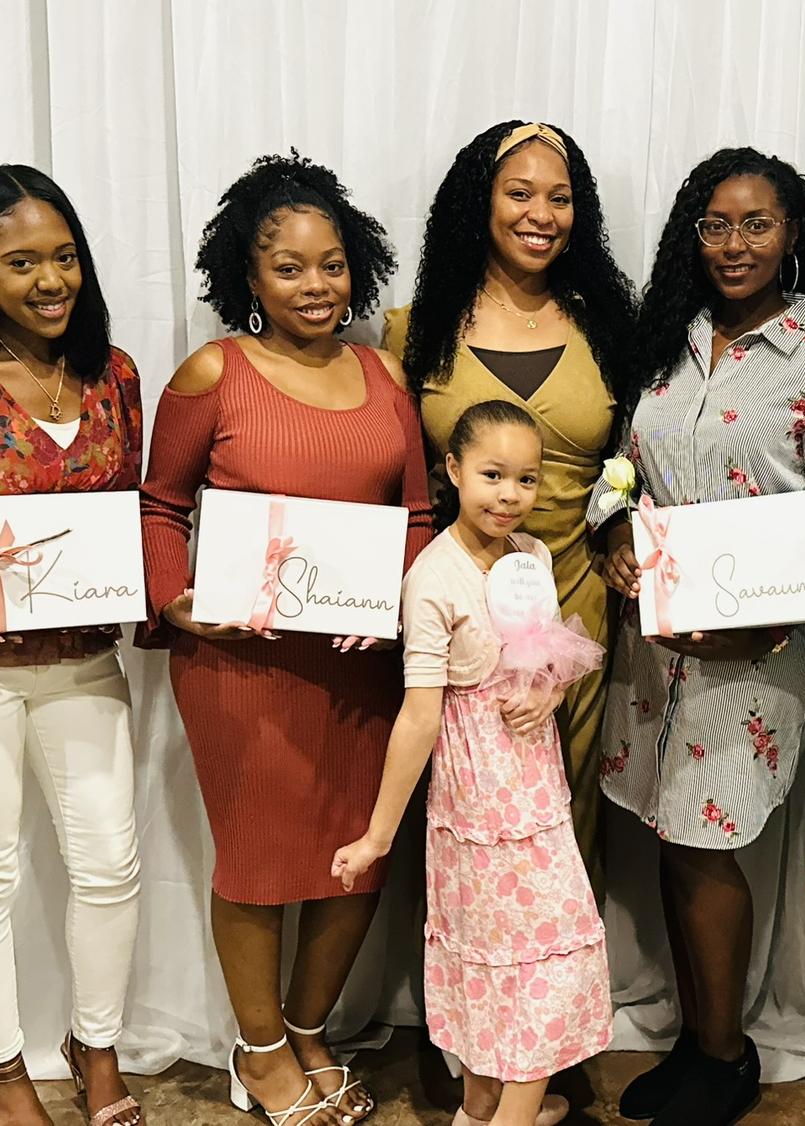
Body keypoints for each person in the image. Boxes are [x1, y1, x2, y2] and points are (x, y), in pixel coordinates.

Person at [139, 152, 431, 1126]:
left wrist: (396, 610)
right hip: (240, 667)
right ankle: (259, 1054)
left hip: (361, 668)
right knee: (259, 863)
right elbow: (160, 503)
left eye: (332, 264)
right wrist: (175, 599)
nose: (317, 285)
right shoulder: (213, 372)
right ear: (250, 278)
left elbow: (418, 516)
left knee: (358, 856)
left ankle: (309, 1030)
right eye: (291, 267)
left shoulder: (384, 375)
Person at [589, 147, 805, 1126]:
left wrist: (762, 624)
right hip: (658, 646)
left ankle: (724, 1057)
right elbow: (620, 472)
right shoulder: (665, 349)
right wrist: (613, 536)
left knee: (708, 844)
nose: (734, 243)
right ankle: (697, 1040)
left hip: (758, 656)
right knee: (670, 841)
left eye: (757, 223)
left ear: (793, 234)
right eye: (716, 224)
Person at [332, 400, 611, 1126]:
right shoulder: (433, 577)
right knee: (508, 954)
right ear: (453, 470)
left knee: (534, 950)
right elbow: (420, 715)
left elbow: (547, 654)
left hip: (536, 788)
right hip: (478, 800)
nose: (509, 495)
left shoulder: (532, 557)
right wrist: (378, 836)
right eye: (493, 475)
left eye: (526, 479)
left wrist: (548, 691)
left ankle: (483, 1106)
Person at [383, 121, 636, 890]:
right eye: (519, 193)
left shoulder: (608, 328)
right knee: (465, 810)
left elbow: (634, 460)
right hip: (454, 606)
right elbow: (393, 477)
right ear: (480, 203)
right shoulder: (415, 331)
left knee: (565, 812)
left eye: (560, 198)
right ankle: (467, 962)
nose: (541, 214)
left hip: (573, 605)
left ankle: (565, 966)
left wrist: (621, 533)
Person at [0, 165, 144, 1126]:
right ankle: (6, 1071)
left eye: (64, 257)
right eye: (21, 263)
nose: (51, 280)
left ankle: (96, 1048)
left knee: (110, 863)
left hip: (83, 657)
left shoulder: (113, 375)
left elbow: (136, 514)